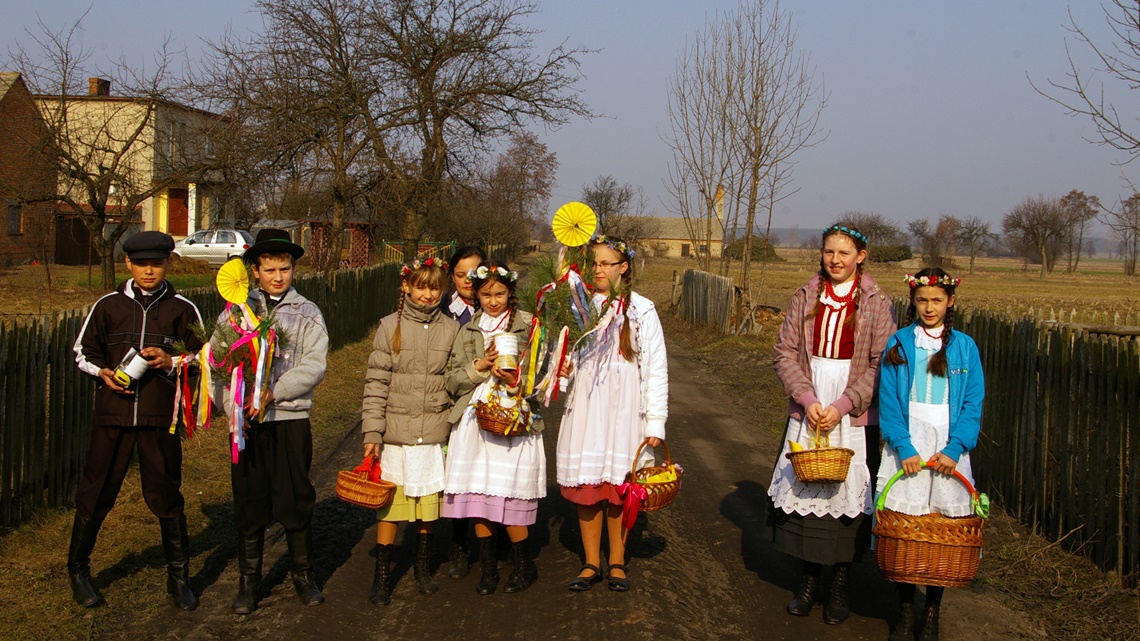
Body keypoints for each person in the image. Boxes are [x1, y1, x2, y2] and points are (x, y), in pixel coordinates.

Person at [767, 223, 896, 624]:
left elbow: (881, 364)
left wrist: (842, 405)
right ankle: (808, 583)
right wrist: (807, 401)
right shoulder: (805, 296)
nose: (835, 260)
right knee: (807, 492)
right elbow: (784, 353)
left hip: (852, 412)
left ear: (861, 256)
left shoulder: (877, 302)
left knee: (847, 500)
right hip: (810, 405)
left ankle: (839, 585)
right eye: (829, 252)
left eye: (844, 253)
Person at [69, 230, 203, 610]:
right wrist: (103, 373)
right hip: (112, 414)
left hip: (160, 416)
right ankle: (78, 571)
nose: (149, 270)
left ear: (168, 264)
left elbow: (203, 356)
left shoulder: (182, 308)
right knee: (96, 492)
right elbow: (83, 351)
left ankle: (179, 579)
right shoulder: (108, 305)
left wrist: (170, 360)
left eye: (157, 263)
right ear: (127, 263)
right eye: (142, 263)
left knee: (165, 494)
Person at [221, 228, 329, 614]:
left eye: (285, 268)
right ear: (255, 271)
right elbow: (218, 363)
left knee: (295, 497)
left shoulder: (307, 312)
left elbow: (314, 364)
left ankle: (303, 573)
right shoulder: (236, 311)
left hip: (288, 418)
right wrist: (233, 406)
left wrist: (273, 392)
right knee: (250, 500)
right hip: (247, 424)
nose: (278, 276)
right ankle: (249, 582)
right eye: (270, 269)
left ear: (293, 269)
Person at [555, 235, 669, 592]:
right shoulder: (580, 306)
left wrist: (655, 421)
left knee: (619, 487)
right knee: (589, 487)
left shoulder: (642, 310)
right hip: (589, 406)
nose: (599, 270)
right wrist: (561, 372)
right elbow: (566, 354)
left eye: (607, 263)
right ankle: (591, 562)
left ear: (624, 267)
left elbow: (655, 368)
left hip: (624, 409)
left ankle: (617, 560)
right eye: (595, 263)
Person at [877, 268, 984, 641]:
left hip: (947, 448)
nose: (929, 307)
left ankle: (932, 611)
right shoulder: (899, 343)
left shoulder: (965, 347)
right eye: (922, 300)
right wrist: (902, 446)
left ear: (950, 302)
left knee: (941, 532)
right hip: (909, 443)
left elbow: (972, 403)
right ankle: (905, 610)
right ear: (913, 301)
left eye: (937, 300)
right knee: (907, 527)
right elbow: (888, 401)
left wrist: (956, 448)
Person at [442, 261, 545, 595]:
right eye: (486, 294)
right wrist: (480, 366)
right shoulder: (469, 331)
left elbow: (542, 373)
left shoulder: (528, 325)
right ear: (478, 295)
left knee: (510, 490)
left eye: (499, 293)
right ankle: (488, 569)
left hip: (512, 415)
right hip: (476, 416)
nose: (493, 300)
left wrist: (518, 379)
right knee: (478, 494)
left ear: (510, 292)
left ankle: (523, 564)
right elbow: (452, 379)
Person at [361, 257, 459, 605]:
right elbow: (376, 382)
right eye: (421, 286)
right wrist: (372, 432)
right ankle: (382, 573)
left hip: (432, 433)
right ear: (406, 287)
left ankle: (421, 567)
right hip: (396, 436)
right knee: (392, 507)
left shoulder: (452, 329)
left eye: (434, 287)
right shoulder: (389, 327)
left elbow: (455, 380)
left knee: (427, 508)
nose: (428, 294)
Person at [439, 244, 487, 578]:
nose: (468, 281)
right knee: (456, 473)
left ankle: (493, 537)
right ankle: (459, 543)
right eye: (460, 275)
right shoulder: (443, 310)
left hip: (487, 401)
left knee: (487, 471)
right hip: (451, 398)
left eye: (475, 274)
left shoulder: (497, 305)